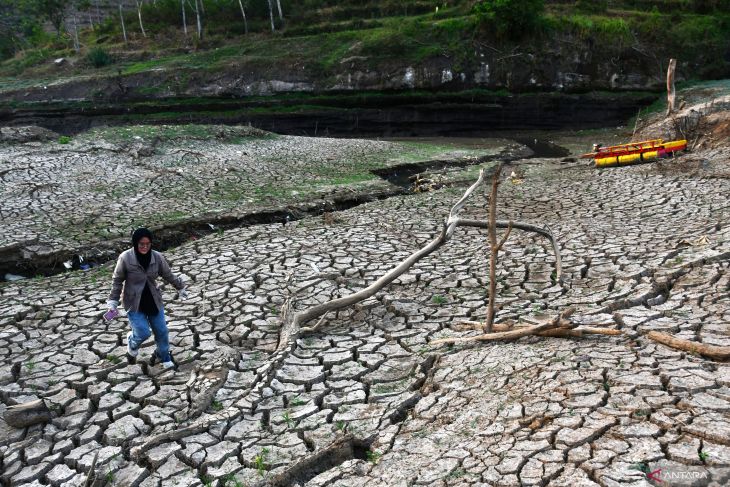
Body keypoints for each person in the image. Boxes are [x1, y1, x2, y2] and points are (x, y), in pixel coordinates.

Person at [106, 228, 187, 369]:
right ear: (135, 243)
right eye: (141, 244)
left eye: (148, 244)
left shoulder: (157, 257)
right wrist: (113, 302)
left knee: (162, 331)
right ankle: (132, 341)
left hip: (153, 300)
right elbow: (117, 281)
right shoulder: (125, 258)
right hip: (133, 303)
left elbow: (168, 274)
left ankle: (164, 356)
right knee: (143, 333)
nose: (144, 247)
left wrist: (180, 287)